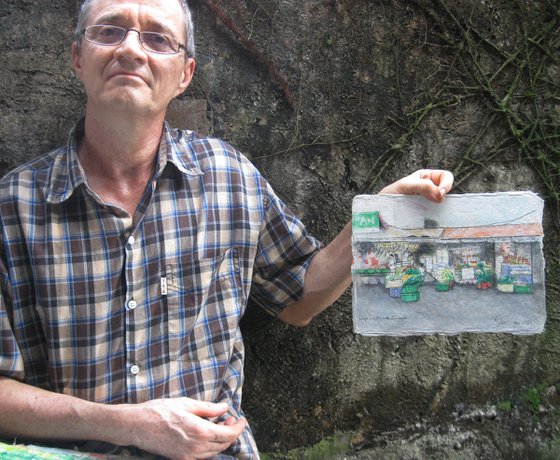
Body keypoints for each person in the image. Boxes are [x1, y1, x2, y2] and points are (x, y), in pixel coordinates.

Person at [0, 0, 454, 458]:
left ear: (185, 73)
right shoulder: (12, 208)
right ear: (77, 55)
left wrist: (374, 222)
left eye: (157, 38)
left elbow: (299, 300)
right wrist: (130, 425)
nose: (132, 50)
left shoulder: (227, 177)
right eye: (110, 31)